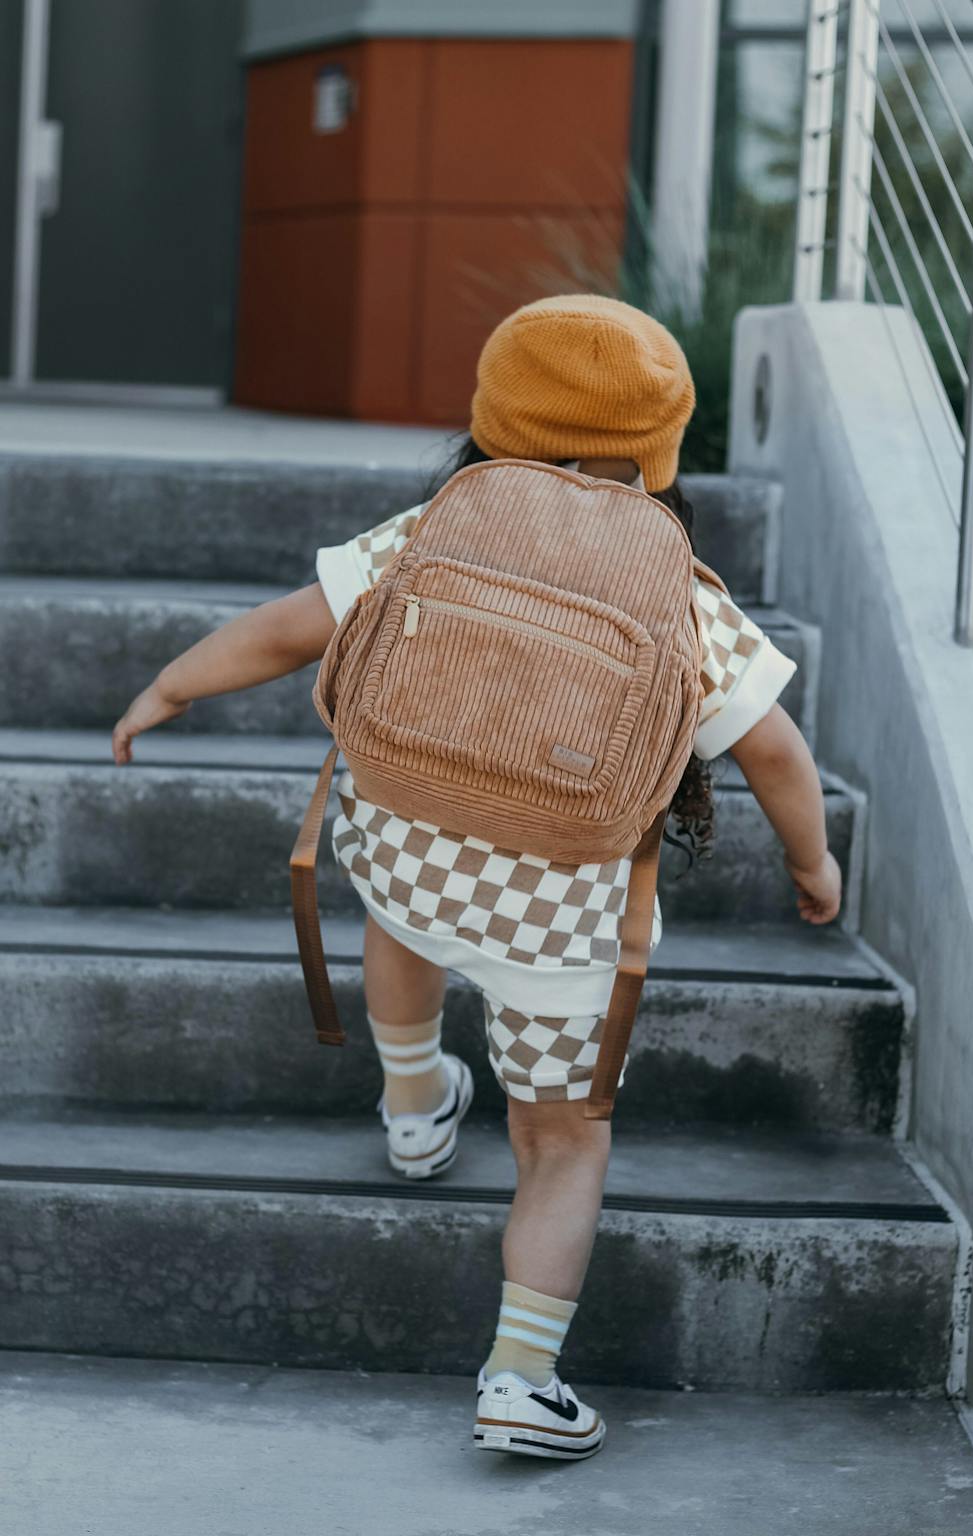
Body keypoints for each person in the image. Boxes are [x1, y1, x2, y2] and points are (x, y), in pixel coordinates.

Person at [112, 294, 842, 1461]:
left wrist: (169, 687)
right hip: (559, 921)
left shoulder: (432, 530)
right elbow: (778, 756)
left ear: (491, 423)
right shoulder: (682, 595)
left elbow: (288, 630)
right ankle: (520, 1378)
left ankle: (413, 1105)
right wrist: (813, 862)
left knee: (399, 915)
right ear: (656, 454)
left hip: (405, 853)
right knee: (561, 1142)